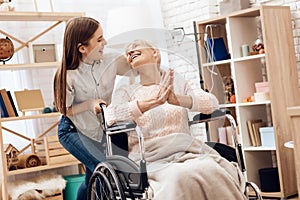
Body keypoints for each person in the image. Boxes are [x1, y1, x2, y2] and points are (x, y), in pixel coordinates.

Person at [105, 40, 247, 199]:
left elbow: (212, 103)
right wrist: (150, 103)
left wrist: (178, 100)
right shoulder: (126, 90)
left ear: (155, 52)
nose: (130, 50)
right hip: (150, 157)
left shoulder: (178, 82)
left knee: (211, 169)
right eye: (127, 52)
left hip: (186, 151)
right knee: (179, 176)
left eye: (136, 46)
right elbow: (111, 115)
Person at [53, 16, 132, 200]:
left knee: (91, 181)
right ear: (82, 48)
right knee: (105, 170)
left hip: (100, 130)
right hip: (73, 131)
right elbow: (65, 110)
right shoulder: (66, 75)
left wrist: (136, 54)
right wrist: (89, 104)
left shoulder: (109, 60)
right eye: (99, 39)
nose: (105, 42)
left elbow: (134, 69)